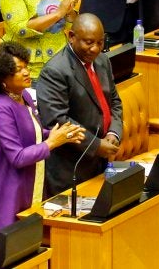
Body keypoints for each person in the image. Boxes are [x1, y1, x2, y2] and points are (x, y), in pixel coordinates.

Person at [0, 42, 84, 239]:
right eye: (18, 70)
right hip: (4, 189)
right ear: (2, 79)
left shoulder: (22, 95)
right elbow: (17, 157)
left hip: (25, 182)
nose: (26, 72)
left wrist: (60, 134)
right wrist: (52, 143)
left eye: (26, 66)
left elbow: (32, 131)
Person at [37, 14, 122, 196]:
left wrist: (114, 132)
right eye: (88, 42)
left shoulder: (102, 61)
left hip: (101, 162)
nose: (95, 49)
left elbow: (113, 101)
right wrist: (96, 145)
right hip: (70, 166)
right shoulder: (55, 71)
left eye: (100, 43)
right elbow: (57, 120)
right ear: (71, 37)